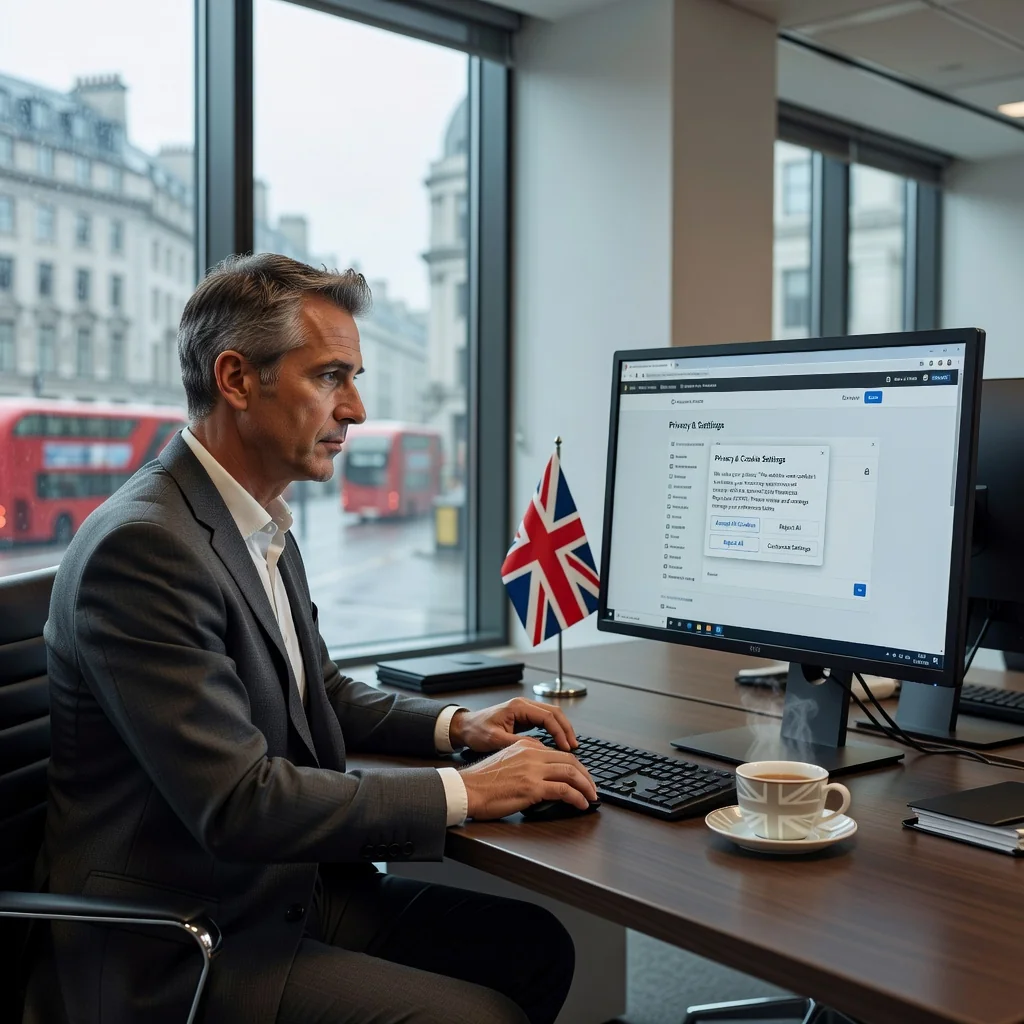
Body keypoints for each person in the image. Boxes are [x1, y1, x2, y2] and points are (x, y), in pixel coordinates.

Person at [30, 253, 598, 1024]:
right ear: (236, 380)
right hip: (186, 941)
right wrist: (471, 789)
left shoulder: (257, 519)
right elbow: (239, 802)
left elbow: (317, 692)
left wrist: (457, 728)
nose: (357, 409)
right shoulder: (144, 548)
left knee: (533, 946)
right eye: (331, 377)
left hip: (282, 893)